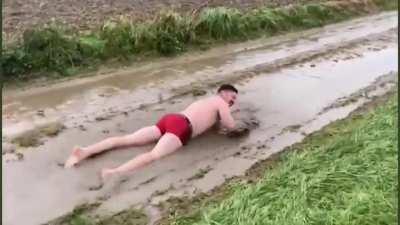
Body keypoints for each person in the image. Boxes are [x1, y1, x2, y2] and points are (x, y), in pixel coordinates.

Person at [65, 84, 238, 181]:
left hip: (172, 119)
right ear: (223, 93)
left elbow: (211, 123)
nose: (233, 101)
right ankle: (114, 172)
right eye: (232, 97)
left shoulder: (207, 101)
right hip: (183, 128)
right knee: (154, 155)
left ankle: (84, 151)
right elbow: (230, 125)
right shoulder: (220, 102)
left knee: (127, 139)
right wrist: (239, 126)